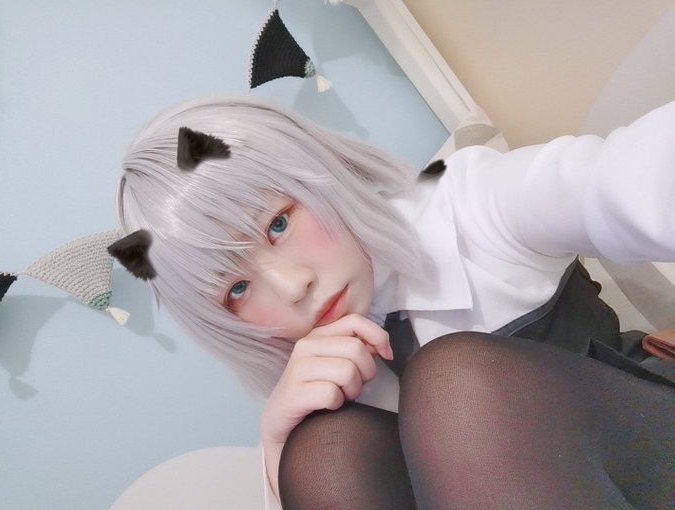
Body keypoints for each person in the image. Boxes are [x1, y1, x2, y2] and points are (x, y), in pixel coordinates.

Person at [110, 96, 675, 509]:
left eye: (278, 223)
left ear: (319, 175)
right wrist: (277, 444)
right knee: (322, 450)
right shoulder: (316, 383)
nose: (291, 286)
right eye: (236, 290)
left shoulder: (466, 205)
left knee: (454, 381)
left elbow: (625, 181)